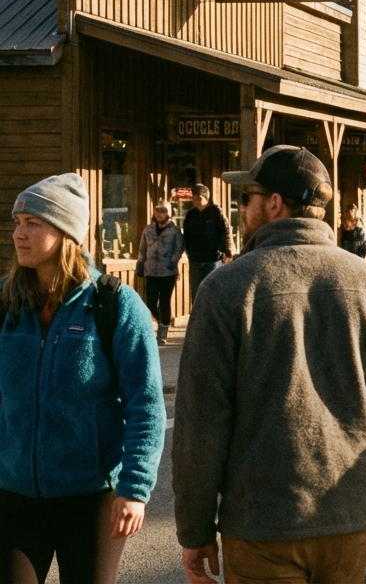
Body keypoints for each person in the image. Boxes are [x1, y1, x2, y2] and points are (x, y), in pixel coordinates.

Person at [172, 146, 366, 584]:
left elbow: (201, 422)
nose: (240, 208)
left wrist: (195, 529)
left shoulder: (226, 288)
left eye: (245, 198)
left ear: (274, 203)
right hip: (348, 520)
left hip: (262, 524)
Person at [0, 174, 166, 584]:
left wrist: (135, 488)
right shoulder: (5, 301)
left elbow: (146, 404)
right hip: (14, 493)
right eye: (17, 222)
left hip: (91, 495)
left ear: (66, 233)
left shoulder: (113, 303)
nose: (19, 234)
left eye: (32, 224)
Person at [136, 201, 185, 345]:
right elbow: (142, 249)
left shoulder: (175, 230)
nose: (159, 214)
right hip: (151, 270)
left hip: (168, 271)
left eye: (163, 211)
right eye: (157, 211)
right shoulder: (148, 230)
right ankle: (163, 321)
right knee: (150, 302)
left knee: (164, 301)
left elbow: (179, 248)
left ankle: (162, 333)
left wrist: (172, 261)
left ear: (168, 213)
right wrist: (140, 265)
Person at [182, 184, 232, 301]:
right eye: (193, 198)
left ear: (206, 198)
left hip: (213, 260)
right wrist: (188, 252)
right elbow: (186, 236)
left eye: (199, 198)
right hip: (195, 260)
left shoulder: (216, 212)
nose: (196, 201)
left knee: (212, 292)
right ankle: (197, 318)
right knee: (196, 294)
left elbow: (226, 232)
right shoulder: (190, 215)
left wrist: (227, 252)